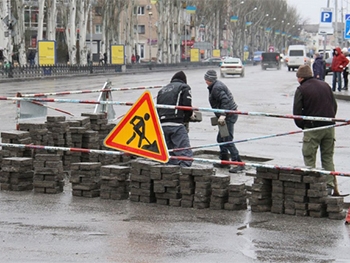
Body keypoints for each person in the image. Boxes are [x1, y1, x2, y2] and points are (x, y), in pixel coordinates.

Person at [293, 65, 338, 195]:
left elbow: (297, 113)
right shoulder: (325, 86)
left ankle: (312, 186)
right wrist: (330, 119)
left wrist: (303, 126)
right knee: (328, 158)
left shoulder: (301, 89)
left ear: (301, 77)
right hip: (329, 126)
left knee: (309, 158)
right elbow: (334, 105)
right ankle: (330, 186)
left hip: (312, 128)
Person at [204, 69, 244, 173]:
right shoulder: (215, 86)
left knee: (227, 139)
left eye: (206, 79)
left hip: (229, 116)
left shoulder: (216, 88)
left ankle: (238, 163)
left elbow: (225, 101)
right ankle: (224, 160)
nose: (205, 81)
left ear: (209, 79)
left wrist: (222, 115)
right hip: (227, 115)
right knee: (221, 139)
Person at [156, 71, 194, 167]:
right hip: (176, 123)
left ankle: (168, 177)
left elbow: (157, 108)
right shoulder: (184, 87)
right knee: (184, 155)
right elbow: (187, 106)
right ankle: (184, 176)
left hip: (162, 125)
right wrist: (187, 118)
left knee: (168, 156)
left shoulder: (162, 90)